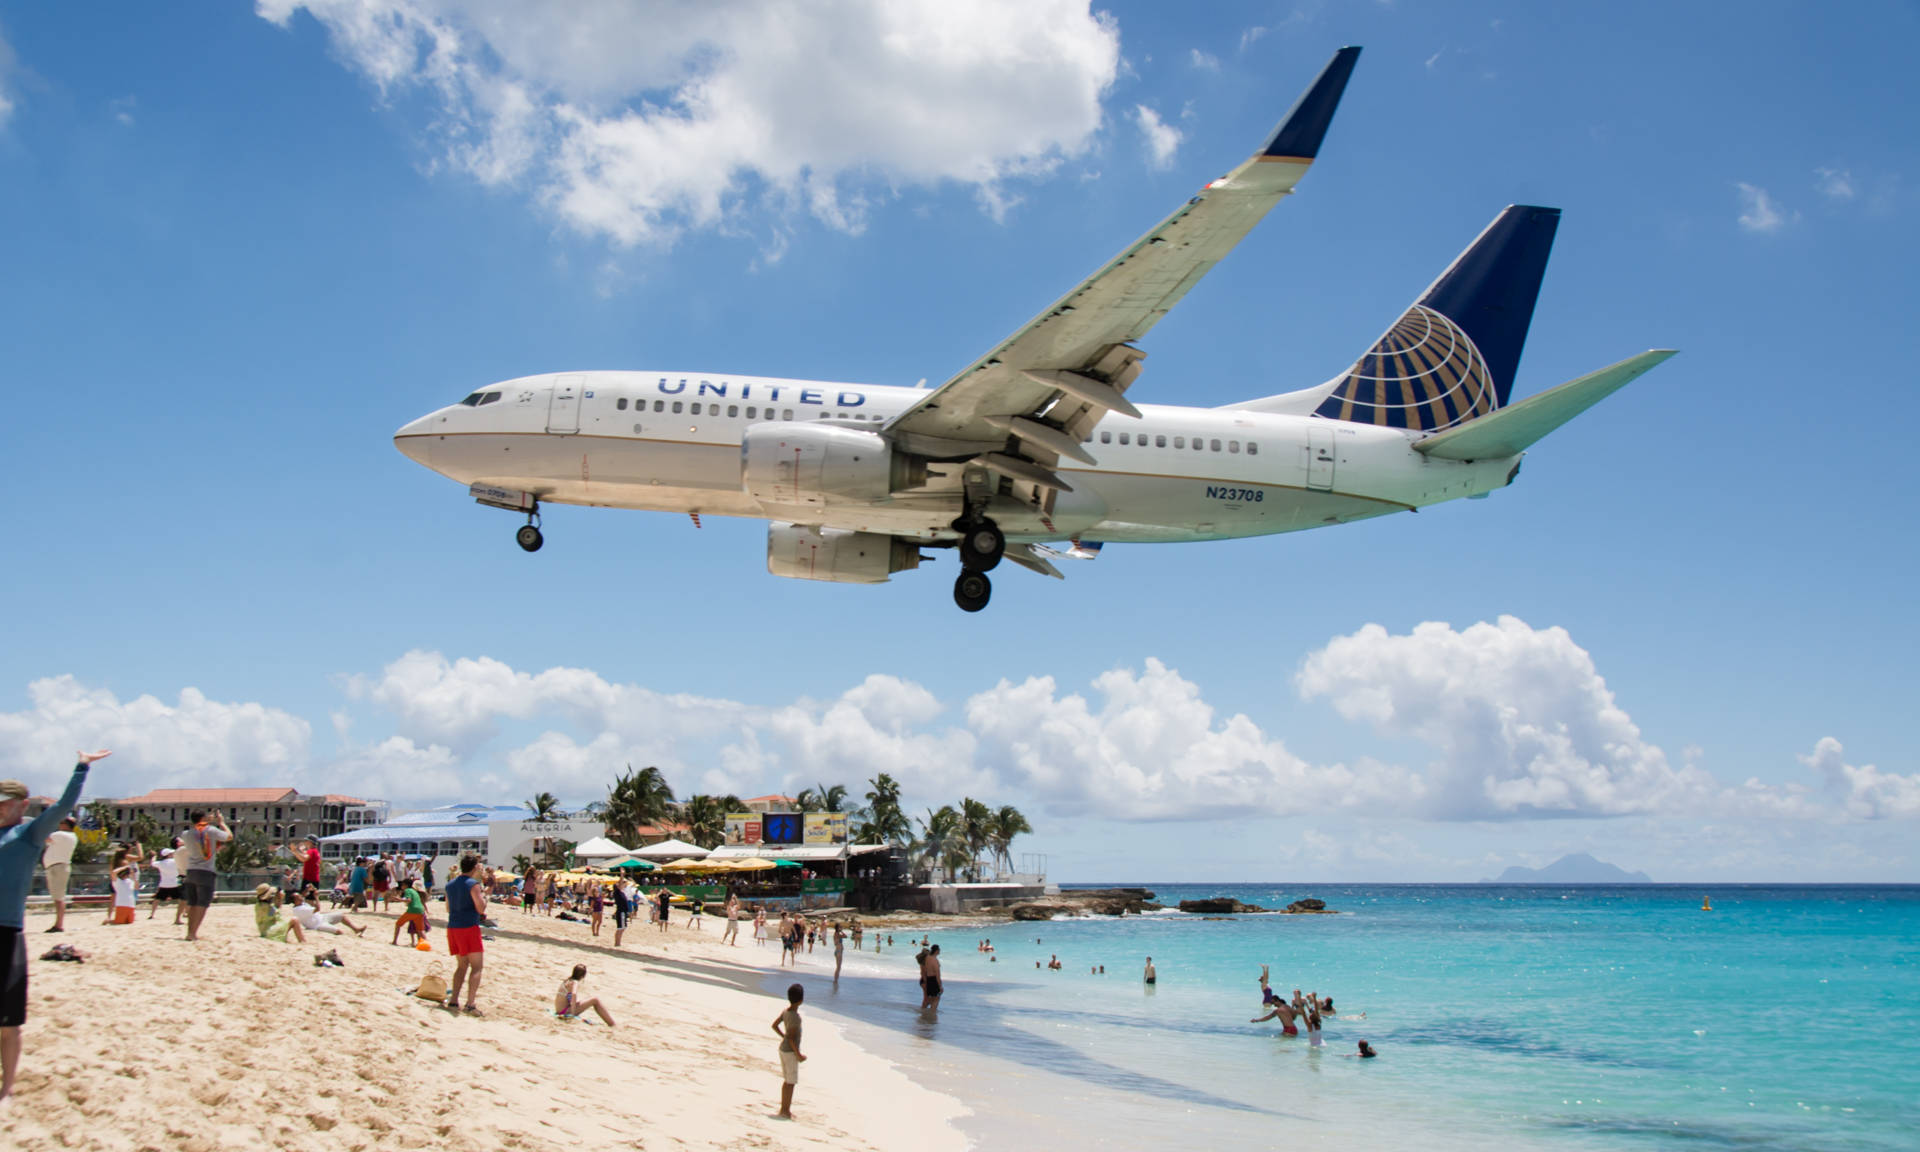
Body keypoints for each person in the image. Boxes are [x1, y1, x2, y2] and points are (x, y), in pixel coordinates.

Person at [2, 752, 104, 1108]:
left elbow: (63, 807)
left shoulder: (28, 833)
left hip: (7, 932)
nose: (0, 808)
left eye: (5, 803)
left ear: (21, 804)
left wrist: (82, 768)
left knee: (8, 1022)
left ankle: (7, 1089)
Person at [176, 808, 231, 942]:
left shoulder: (186, 834)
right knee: (202, 904)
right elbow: (229, 836)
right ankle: (193, 933)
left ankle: (190, 932)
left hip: (191, 871)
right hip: (206, 871)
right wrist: (222, 823)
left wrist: (208, 820)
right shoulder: (210, 830)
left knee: (193, 903)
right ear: (203, 819)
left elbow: (199, 832)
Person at [444, 853, 488, 1015]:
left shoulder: (450, 884)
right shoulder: (472, 884)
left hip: (453, 927)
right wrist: (484, 898)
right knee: (476, 967)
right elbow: (480, 908)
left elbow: (448, 908)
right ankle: (470, 1003)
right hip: (468, 927)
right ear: (475, 867)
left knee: (461, 966)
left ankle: (454, 1000)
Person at [770, 983, 805, 1120]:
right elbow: (791, 1038)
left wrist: (783, 1036)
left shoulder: (786, 1012)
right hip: (790, 1052)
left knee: (787, 1081)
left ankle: (784, 1108)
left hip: (783, 1049)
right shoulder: (796, 1018)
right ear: (801, 1000)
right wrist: (799, 1055)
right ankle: (786, 1110)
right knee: (791, 1082)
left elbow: (775, 1026)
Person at [39, 817, 78, 933]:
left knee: (59, 898)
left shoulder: (60, 834)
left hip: (57, 867)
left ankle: (59, 924)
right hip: (59, 867)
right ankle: (58, 923)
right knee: (59, 897)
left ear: (66, 825)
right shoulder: (71, 836)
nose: (59, 825)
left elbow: (44, 838)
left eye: (61, 823)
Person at [288, 892, 365, 936]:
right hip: (317, 925)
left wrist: (308, 890)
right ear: (295, 901)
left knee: (341, 915)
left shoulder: (300, 905)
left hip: (321, 917)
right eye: (299, 897)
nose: (301, 897)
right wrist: (317, 898)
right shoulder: (299, 909)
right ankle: (354, 932)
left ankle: (355, 929)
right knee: (338, 931)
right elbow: (317, 909)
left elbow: (303, 895)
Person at [104, 845, 144, 925]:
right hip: (122, 880)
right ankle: (118, 916)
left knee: (112, 901)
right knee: (124, 897)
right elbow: (140, 857)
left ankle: (109, 916)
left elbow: (112, 871)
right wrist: (139, 846)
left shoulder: (114, 860)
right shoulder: (126, 859)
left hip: (115, 880)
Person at [150, 844, 183, 922]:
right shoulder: (175, 861)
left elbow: (152, 863)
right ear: (169, 855)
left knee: (157, 899)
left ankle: (152, 914)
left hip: (164, 884)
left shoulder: (160, 863)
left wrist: (153, 856)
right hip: (175, 883)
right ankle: (184, 913)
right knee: (182, 899)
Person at [393, 879, 429, 946]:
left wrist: (399, 899)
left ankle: (394, 941)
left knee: (398, 924)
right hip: (421, 911)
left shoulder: (408, 890)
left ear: (406, 885)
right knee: (421, 930)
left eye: (402, 885)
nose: (401, 886)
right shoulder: (415, 891)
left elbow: (409, 900)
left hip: (412, 910)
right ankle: (427, 944)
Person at [920, 944, 943, 1012]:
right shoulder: (934, 960)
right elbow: (938, 975)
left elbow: (924, 970)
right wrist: (940, 986)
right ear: (936, 951)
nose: (940, 951)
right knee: (936, 998)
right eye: (939, 950)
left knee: (930, 998)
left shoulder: (927, 958)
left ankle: (923, 1010)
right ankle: (932, 1013)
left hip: (929, 979)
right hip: (934, 980)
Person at [611, 877, 632, 948]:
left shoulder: (621, 892)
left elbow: (624, 885)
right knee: (620, 928)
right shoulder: (617, 892)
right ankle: (617, 943)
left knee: (623, 927)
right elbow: (620, 883)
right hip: (621, 912)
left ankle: (618, 942)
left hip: (623, 911)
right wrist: (622, 875)